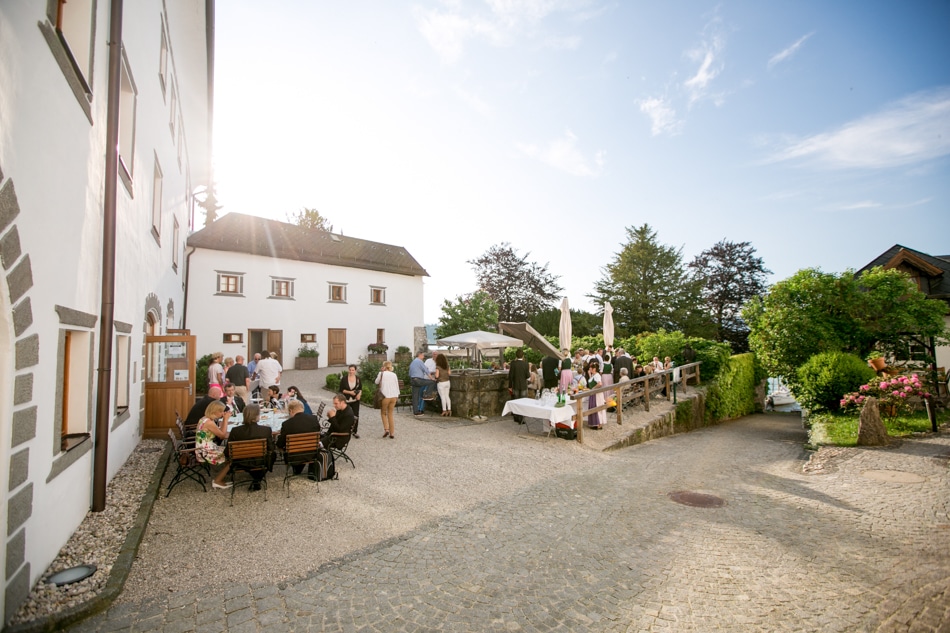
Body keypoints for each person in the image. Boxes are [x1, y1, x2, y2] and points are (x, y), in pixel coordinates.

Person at [227, 404, 274, 491]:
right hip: (260, 461)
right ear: (257, 415)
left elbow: (227, 451)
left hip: (241, 461)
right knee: (272, 455)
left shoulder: (235, 431)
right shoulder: (265, 430)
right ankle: (257, 479)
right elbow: (270, 449)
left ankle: (256, 479)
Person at [277, 399, 323, 479]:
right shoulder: (314, 419)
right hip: (312, 454)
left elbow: (280, 443)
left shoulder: (287, 424)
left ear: (291, 410)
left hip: (293, 456)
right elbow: (318, 434)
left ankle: (297, 469)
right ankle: (298, 469)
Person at [194, 401, 231, 488]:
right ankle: (217, 480)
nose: (222, 413)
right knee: (232, 456)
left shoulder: (205, 419)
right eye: (221, 411)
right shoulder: (209, 422)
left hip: (203, 448)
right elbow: (222, 435)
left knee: (229, 451)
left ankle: (223, 476)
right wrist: (225, 420)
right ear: (215, 411)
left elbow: (220, 432)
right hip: (206, 452)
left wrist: (223, 423)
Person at [375, 361, 400, 438]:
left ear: (384, 366)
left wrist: (381, 372)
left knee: (383, 413)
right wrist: (397, 395)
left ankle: (386, 429)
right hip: (393, 396)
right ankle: (392, 433)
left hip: (385, 396)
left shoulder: (381, 373)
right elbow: (397, 385)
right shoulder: (394, 374)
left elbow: (376, 382)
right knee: (390, 414)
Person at [409, 351, 435, 416]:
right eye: (423, 355)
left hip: (413, 380)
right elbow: (426, 370)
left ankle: (416, 412)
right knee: (432, 382)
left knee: (415, 396)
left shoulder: (413, 362)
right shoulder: (419, 361)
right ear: (419, 355)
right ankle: (427, 395)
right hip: (418, 380)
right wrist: (432, 378)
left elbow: (410, 372)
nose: (424, 356)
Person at [341, 365, 362, 438]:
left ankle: (354, 431)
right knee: (346, 415)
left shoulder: (358, 379)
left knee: (356, 415)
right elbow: (341, 390)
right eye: (350, 370)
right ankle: (346, 430)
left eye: (353, 370)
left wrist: (359, 394)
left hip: (355, 400)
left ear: (355, 371)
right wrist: (350, 392)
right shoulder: (344, 379)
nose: (351, 371)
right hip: (347, 400)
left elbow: (360, 389)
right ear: (348, 370)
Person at [507, 349, 529, 423]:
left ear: (516, 355)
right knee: (523, 402)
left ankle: (516, 416)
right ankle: (521, 418)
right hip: (523, 385)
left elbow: (510, 375)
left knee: (516, 401)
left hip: (515, 384)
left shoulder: (513, 364)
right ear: (523, 356)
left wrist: (510, 386)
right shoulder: (526, 364)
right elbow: (527, 375)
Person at [586, 360, 605, 430]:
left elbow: (600, 383)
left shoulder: (597, 375)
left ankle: (598, 424)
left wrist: (593, 388)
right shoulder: (594, 375)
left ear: (594, 369)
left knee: (597, 407)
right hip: (593, 393)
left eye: (590, 368)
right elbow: (592, 380)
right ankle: (595, 423)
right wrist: (589, 374)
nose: (589, 369)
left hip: (596, 394)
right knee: (593, 407)